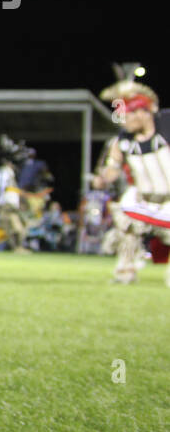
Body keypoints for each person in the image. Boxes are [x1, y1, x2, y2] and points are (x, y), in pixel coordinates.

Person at [95, 74, 170, 284]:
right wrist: (103, 178)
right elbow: (112, 168)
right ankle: (125, 272)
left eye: (128, 116)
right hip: (143, 201)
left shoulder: (166, 124)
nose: (124, 122)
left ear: (143, 113)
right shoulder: (123, 141)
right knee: (126, 224)